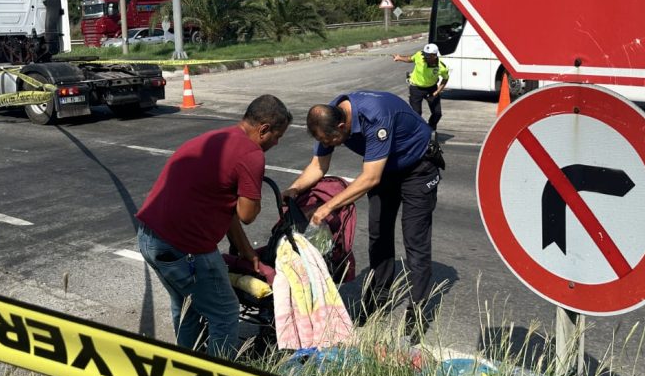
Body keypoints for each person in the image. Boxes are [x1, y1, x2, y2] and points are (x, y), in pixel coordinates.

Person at [137, 95, 292, 359]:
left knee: (187, 306)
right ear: (263, 129)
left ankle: (189, 365)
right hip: (186, 249)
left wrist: (246, 251)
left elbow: (224, 208)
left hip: (150, 238)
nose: (276, 143)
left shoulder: (218, 138)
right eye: (277, 136)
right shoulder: (251, 154)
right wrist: (253, 193)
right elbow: (246, 214)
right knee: (225, 312)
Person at [284, 90, 444, 344]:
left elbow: (370, 178)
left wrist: (327, 208)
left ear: (342, 124)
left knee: (415, 243)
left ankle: (417, 318)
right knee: (378, 235)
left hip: (417, 168)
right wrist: (294, 189)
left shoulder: (374, 116)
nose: (333, 144)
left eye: (334, 139)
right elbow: (318, 167)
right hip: (385, 167)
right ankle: (376, 303)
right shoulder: (326, 119)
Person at [392, 43, 450, 131]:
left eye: (427, 56)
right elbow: (410, 59)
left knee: (437, 113)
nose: (424, 57)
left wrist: (437, 92)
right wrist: (400, 58)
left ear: (434, 56)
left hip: (431, 89)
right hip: (416, 88)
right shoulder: (419, 55)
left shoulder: (441, 67)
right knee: (416, 113)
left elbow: (445, 79)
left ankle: (430, 128)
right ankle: (417, 131)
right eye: (424, 55)